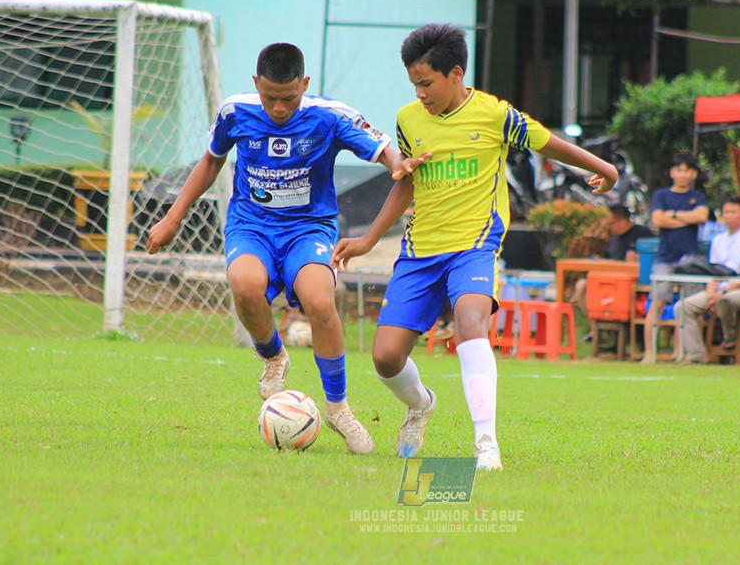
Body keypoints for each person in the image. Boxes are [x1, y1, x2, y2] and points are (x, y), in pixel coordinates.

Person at [331, 23, 618, 471]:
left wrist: (604, 169)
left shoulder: (495, 115)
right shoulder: (408, 119)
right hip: (420, 250)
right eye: (414, 84)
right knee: (385, 358)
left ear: (456, 74)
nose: (420, 93)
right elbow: (406, 182)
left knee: (470, 324)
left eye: (426, 83)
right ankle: (421, 404)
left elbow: (549, 144)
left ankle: (486, 445)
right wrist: (368, 239)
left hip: (475, 246)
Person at [147, 42, 421, 455]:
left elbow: (383, 149)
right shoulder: (235, 112)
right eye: (270, 98)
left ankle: (338, 407)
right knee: (244, 284)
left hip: (308, 228)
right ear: (256, 84)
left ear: (304, 85)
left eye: (289, 98)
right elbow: (212, 160)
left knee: (319, 299)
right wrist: (173, 217)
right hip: (251, 225)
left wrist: (397, 164)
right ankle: (274, 357)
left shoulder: (329, 116)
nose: (278, 108)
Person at [672, 197, 740, 364]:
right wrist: (711, 295)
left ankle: (730, 337)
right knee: (682, 307)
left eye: (733, 212)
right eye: (726, 212)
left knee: (725, 300)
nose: (729, 216)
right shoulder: (718, 240)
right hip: (719, 289)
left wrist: (722, 292)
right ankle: (696, 354)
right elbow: (712, 272)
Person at [643, 152, 709, 363]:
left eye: (686, 170)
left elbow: (701, 216)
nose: (682, 174)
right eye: (679, 170)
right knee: (657, 304)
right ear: (672, 172)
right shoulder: (661, 195)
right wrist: (687, 219)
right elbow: (657, 221)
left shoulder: (698, 196)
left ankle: (681, 354)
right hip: (665, 259)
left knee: (686, 308)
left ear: (693, 174)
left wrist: (671, 215)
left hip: (690, 260)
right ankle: (649, 354)